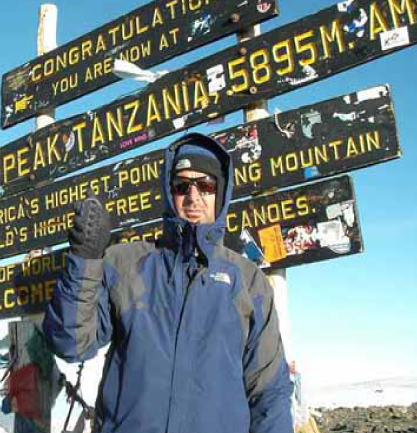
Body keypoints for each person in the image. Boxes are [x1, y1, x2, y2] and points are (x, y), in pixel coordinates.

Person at [44, 132, 294, 433]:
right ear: (168, 191)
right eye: (182, 185)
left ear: (221, 192)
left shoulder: (248, 281)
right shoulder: (126, 264)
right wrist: (84, 261)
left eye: (206, 185)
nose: (193, 197)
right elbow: (71, 344)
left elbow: (269, 393)